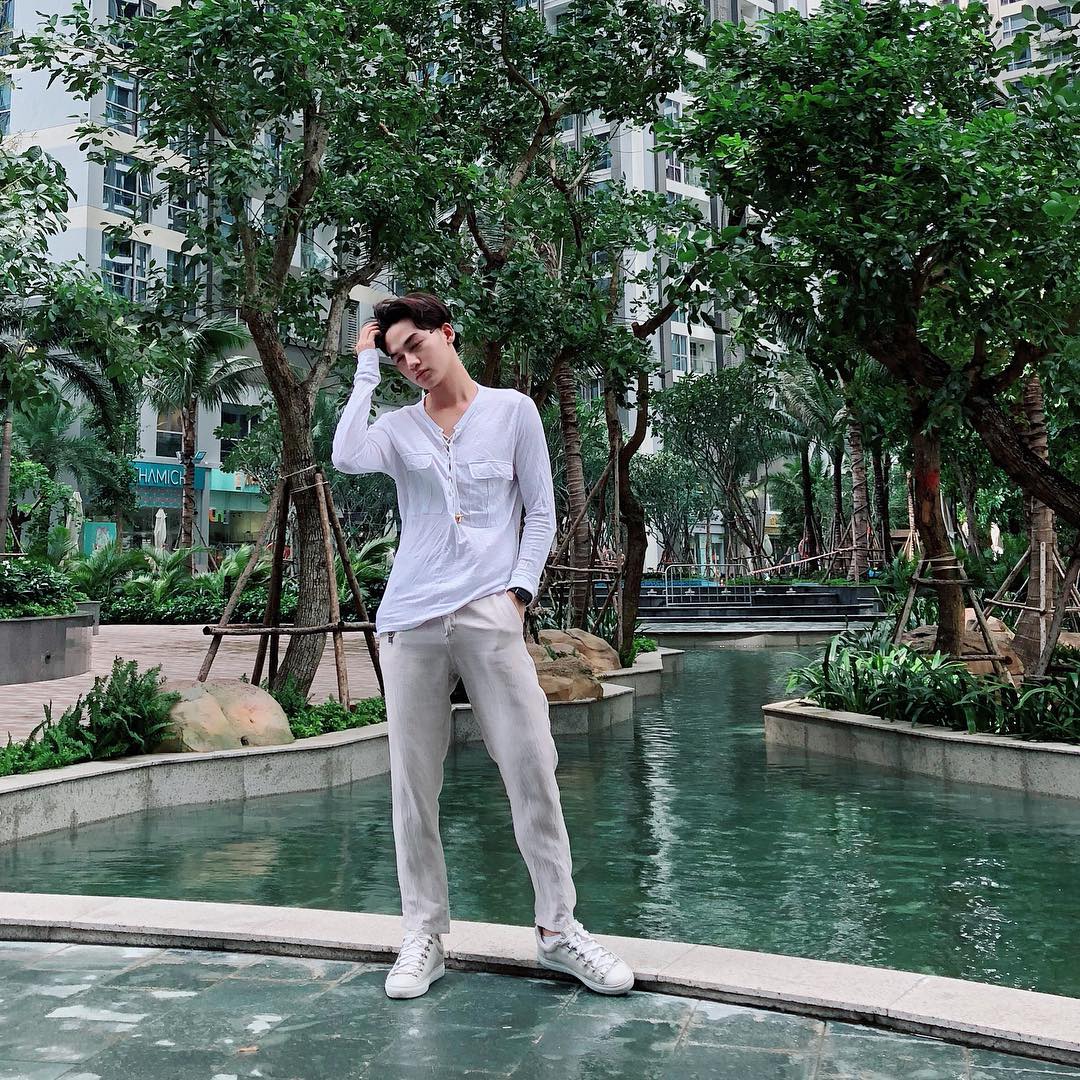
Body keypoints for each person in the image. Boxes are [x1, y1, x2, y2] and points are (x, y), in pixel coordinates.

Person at [331, 292, 634, 1001]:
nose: (410, 362)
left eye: (415, 345)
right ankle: (424, 934)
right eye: (397, 356)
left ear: (447, 333)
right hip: (410, 622)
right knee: (413, 783)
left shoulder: (513, 412)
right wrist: (365, 368)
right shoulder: (398, 429)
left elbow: (542, 511)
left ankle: (559, 930)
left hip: (489, 616)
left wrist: (517, 595)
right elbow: (345, 455)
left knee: (532, 765)